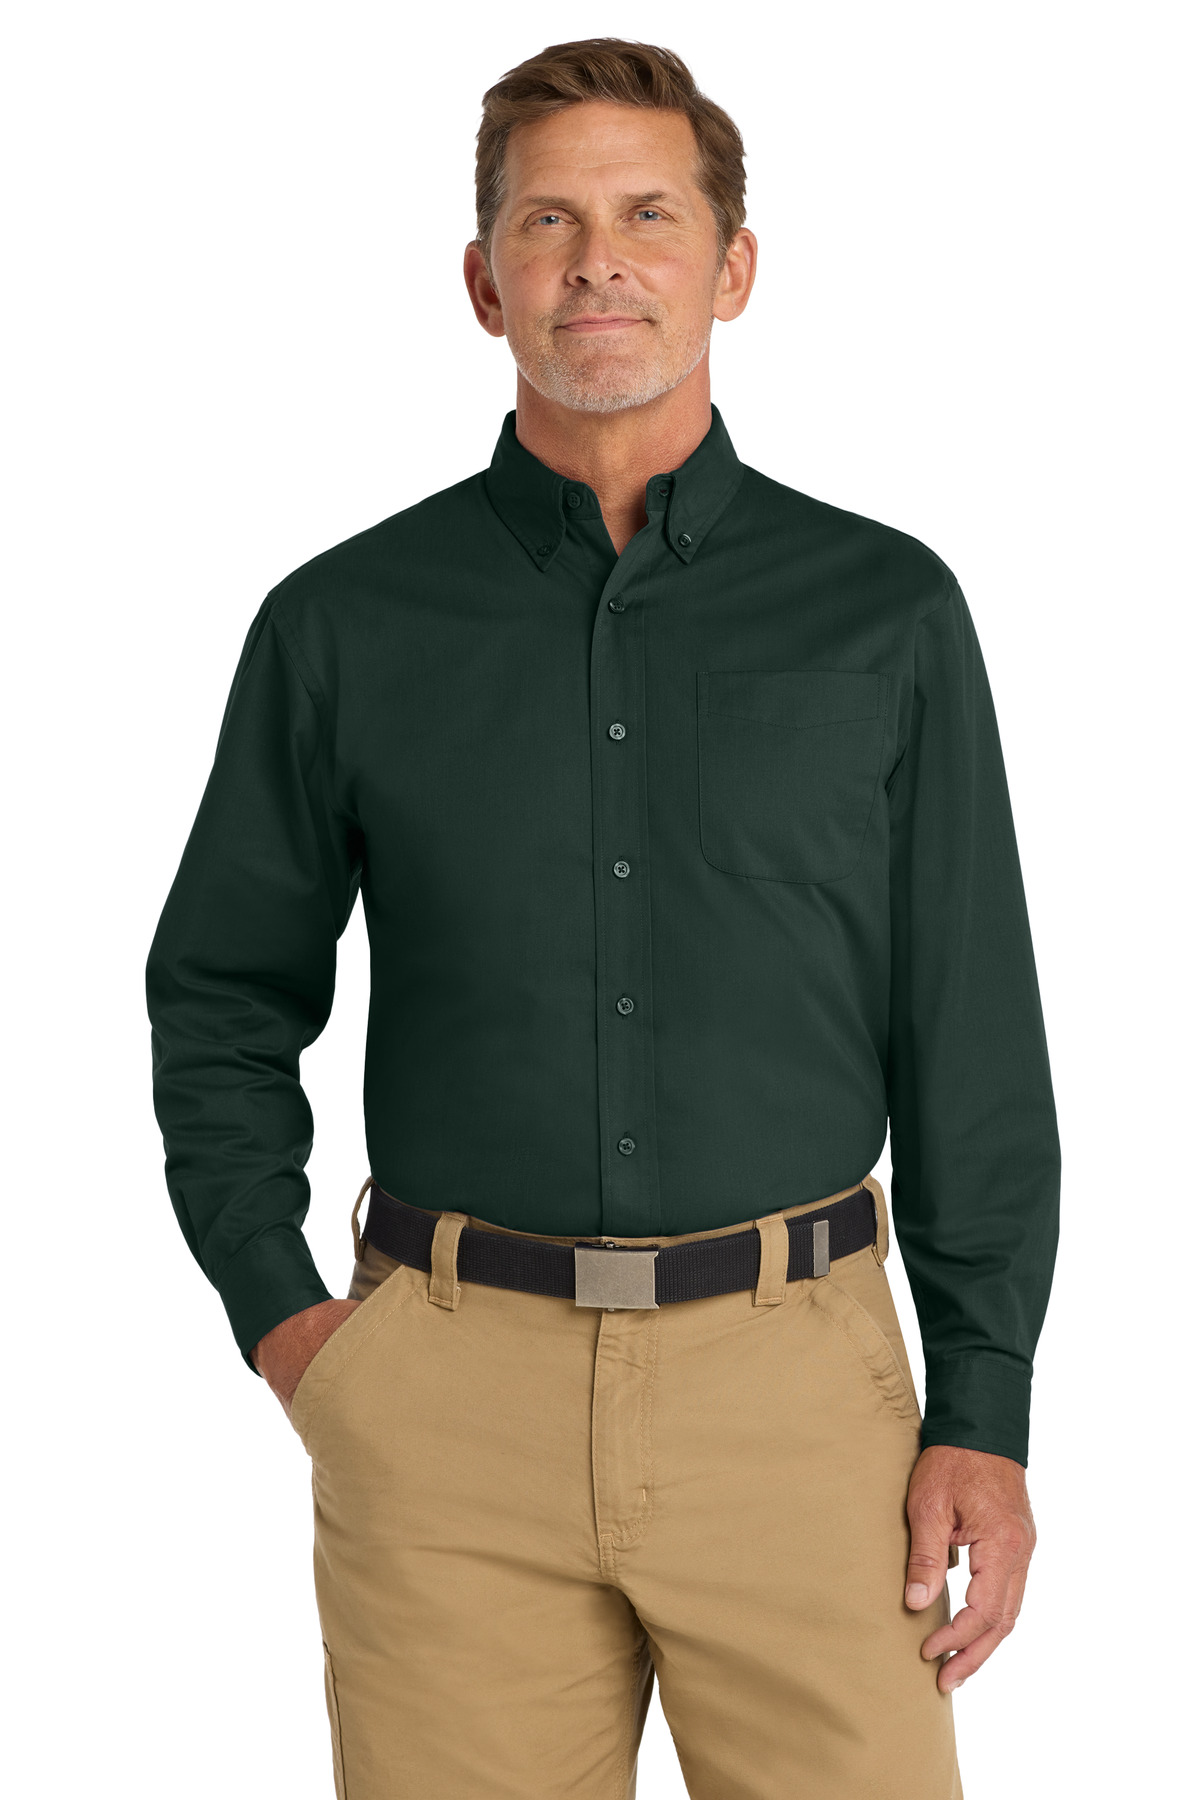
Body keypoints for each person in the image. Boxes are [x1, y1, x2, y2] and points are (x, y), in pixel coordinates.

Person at [146, 37, 1059, 1800]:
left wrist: (986, 1408)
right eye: (547, 221)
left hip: (804, 1407)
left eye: (649, 214)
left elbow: (973, 1036)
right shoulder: (342, 623)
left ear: (732, 267)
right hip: (444, 1405)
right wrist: (289, 1321)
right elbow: (221, 996)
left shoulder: (887, 611)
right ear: (483, 280)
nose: (597, 262)